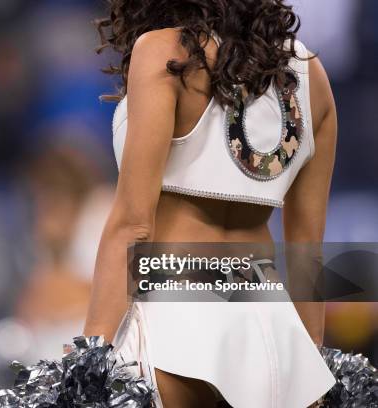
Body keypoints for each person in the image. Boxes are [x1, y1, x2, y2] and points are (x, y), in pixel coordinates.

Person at [84, 1, 338, 407]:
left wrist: (88, 358)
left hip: (172, 314)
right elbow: (307, 250)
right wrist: (310, 363)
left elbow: (132, 225)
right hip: (274, 334)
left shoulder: (166, 52)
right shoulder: (312, 74)